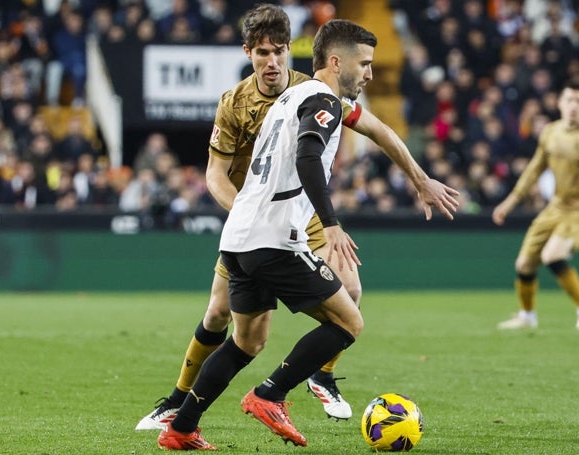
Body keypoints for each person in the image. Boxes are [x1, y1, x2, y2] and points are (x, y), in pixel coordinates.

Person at [136, 3, 460, 432]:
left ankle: (199, 421)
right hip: (266, 220)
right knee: (239, 314)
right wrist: (321, 221)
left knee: (274, 327)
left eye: (279, 52)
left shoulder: (301, 91)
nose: (271, 61)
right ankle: (231, 397)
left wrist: (420, 180)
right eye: (262, 53)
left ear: (291, 51)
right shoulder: (265, 100)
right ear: (248, 53)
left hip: (268, 222)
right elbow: (247, 167)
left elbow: (377, 130)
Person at [493, 76, 579, 330]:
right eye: (569, 99)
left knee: (553, 255)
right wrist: (510, 202)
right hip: (555, 207)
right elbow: (534, 169)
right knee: (524, 264)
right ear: (559, 103)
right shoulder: (550, 132)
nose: (573, 105)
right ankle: (527, 316)